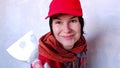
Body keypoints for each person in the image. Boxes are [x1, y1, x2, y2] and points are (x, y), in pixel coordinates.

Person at [31, 0, 87, 68]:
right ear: (51, 26)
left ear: (81, 23)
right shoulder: (41, 61)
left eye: (73, 21)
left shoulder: (81, 43)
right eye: (58, 22)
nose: (67, 30)